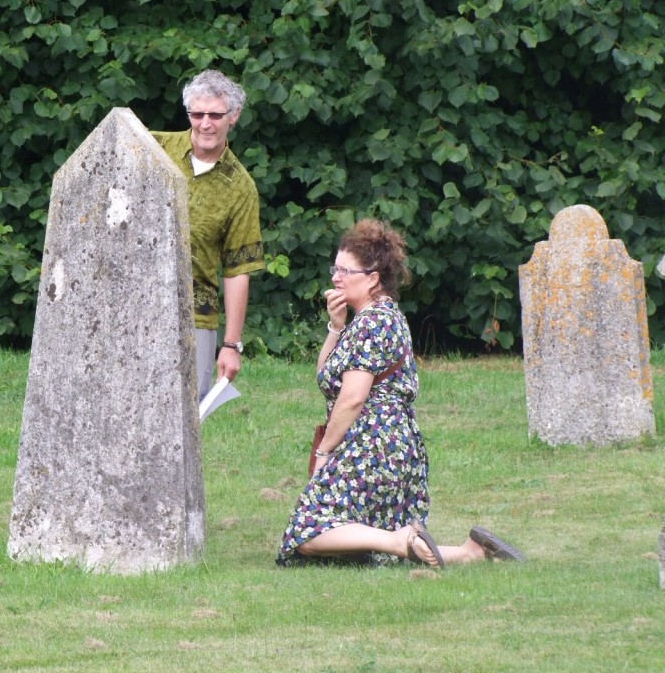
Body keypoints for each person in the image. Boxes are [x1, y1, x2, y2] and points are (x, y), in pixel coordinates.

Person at [276, 219, 524, 568]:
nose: (335, 277)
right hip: (393, 446)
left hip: (371, 444)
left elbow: (352, 398)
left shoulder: (372, 322)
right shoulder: (377, 317)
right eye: (335, 268)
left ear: (373, 278)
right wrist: (335, 327)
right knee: (358, 555)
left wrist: (324, 451)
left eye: (345, 270)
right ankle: (472, 553)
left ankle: (400, 537)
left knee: (306, 532)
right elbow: (325, 375)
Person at [151, 70, 265, 401]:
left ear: (234, 117)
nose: (205, 124)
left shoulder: (241, 188)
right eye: (197, 114)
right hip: (133, 303)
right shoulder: (153, 148)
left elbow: (238, 269)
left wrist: (231, 344)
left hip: (195, 315)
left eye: (215, 115)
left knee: (186, 417)